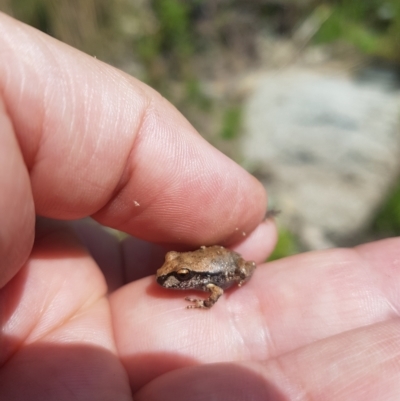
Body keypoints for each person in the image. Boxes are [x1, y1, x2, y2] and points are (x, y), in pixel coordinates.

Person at [0, 12, 399, 400]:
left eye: (179, 275)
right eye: (176, 272)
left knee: (245, 268)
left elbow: (217, 292)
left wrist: (211, 295)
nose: (170, 278)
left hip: (226, 265)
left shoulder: (208, 282)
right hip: (207, 260)